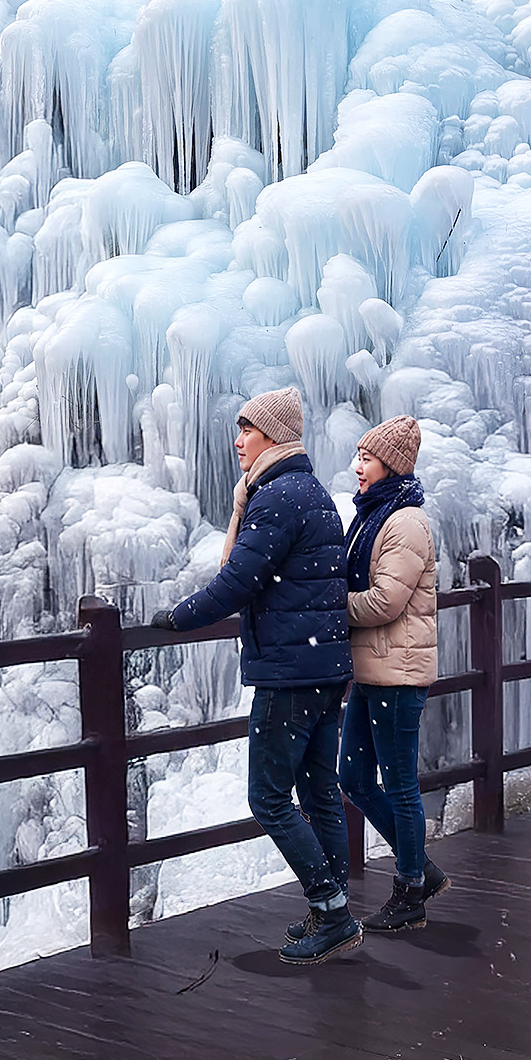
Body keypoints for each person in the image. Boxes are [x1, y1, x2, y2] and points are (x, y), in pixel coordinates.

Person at [158, 388, 359, 964]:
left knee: (268, 798)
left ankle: (333, 910)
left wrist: (179, 616)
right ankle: (331, 909)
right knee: (319, 792)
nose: (237, 441)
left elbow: (238, 582)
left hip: (291, 673)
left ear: (272, 435)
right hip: (324, 668)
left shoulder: (276, 499)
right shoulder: (313, 492)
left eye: (246, 430)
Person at [338, 415, 449, 932]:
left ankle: (409, 893)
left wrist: (330, 607)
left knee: (400, 784)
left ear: (392, 465)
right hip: (373, 672)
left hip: (399, 675)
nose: (357, 467)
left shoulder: (405, 522)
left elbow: (386, 601)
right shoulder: (375, 515)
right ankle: (419, 867)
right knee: (354, 776)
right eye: (358, 456)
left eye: (366, 457)